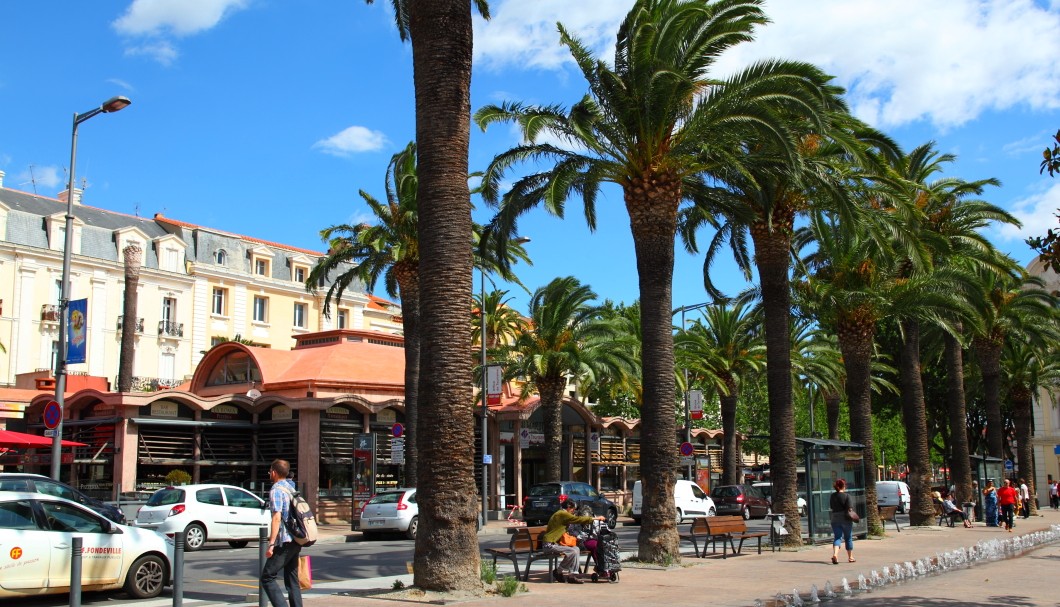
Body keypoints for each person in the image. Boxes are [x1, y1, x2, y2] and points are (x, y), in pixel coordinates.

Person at [262, 459, 302, 607]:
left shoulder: (276, 490)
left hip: (284, 540)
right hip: (297, 538)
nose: (269, 474)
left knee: (267, 577)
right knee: (292, 579)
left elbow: (276, 517)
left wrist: (271, 543)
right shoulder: (291, 487)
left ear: (274, 472)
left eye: (269, 471)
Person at [542, 498, 604, 583]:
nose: (573, 511)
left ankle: (572, 574)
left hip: (554, 544)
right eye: (573, 509)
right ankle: (559, 571)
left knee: (576, 549)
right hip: (549, 545)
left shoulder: (561, 514)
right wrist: (595, 518)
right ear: (568, 507)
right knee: (572, 551)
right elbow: (578, 519)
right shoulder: (562, 514)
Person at [829, 478, 855, 564]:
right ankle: (850, 557)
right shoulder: (847, 496)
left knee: (837, 537)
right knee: (848, 538)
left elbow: (832, 507)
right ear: (843, 486)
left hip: (835, 518)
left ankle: (835, 555)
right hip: (846, 519)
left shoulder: (833, 496)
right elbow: (850, 508)